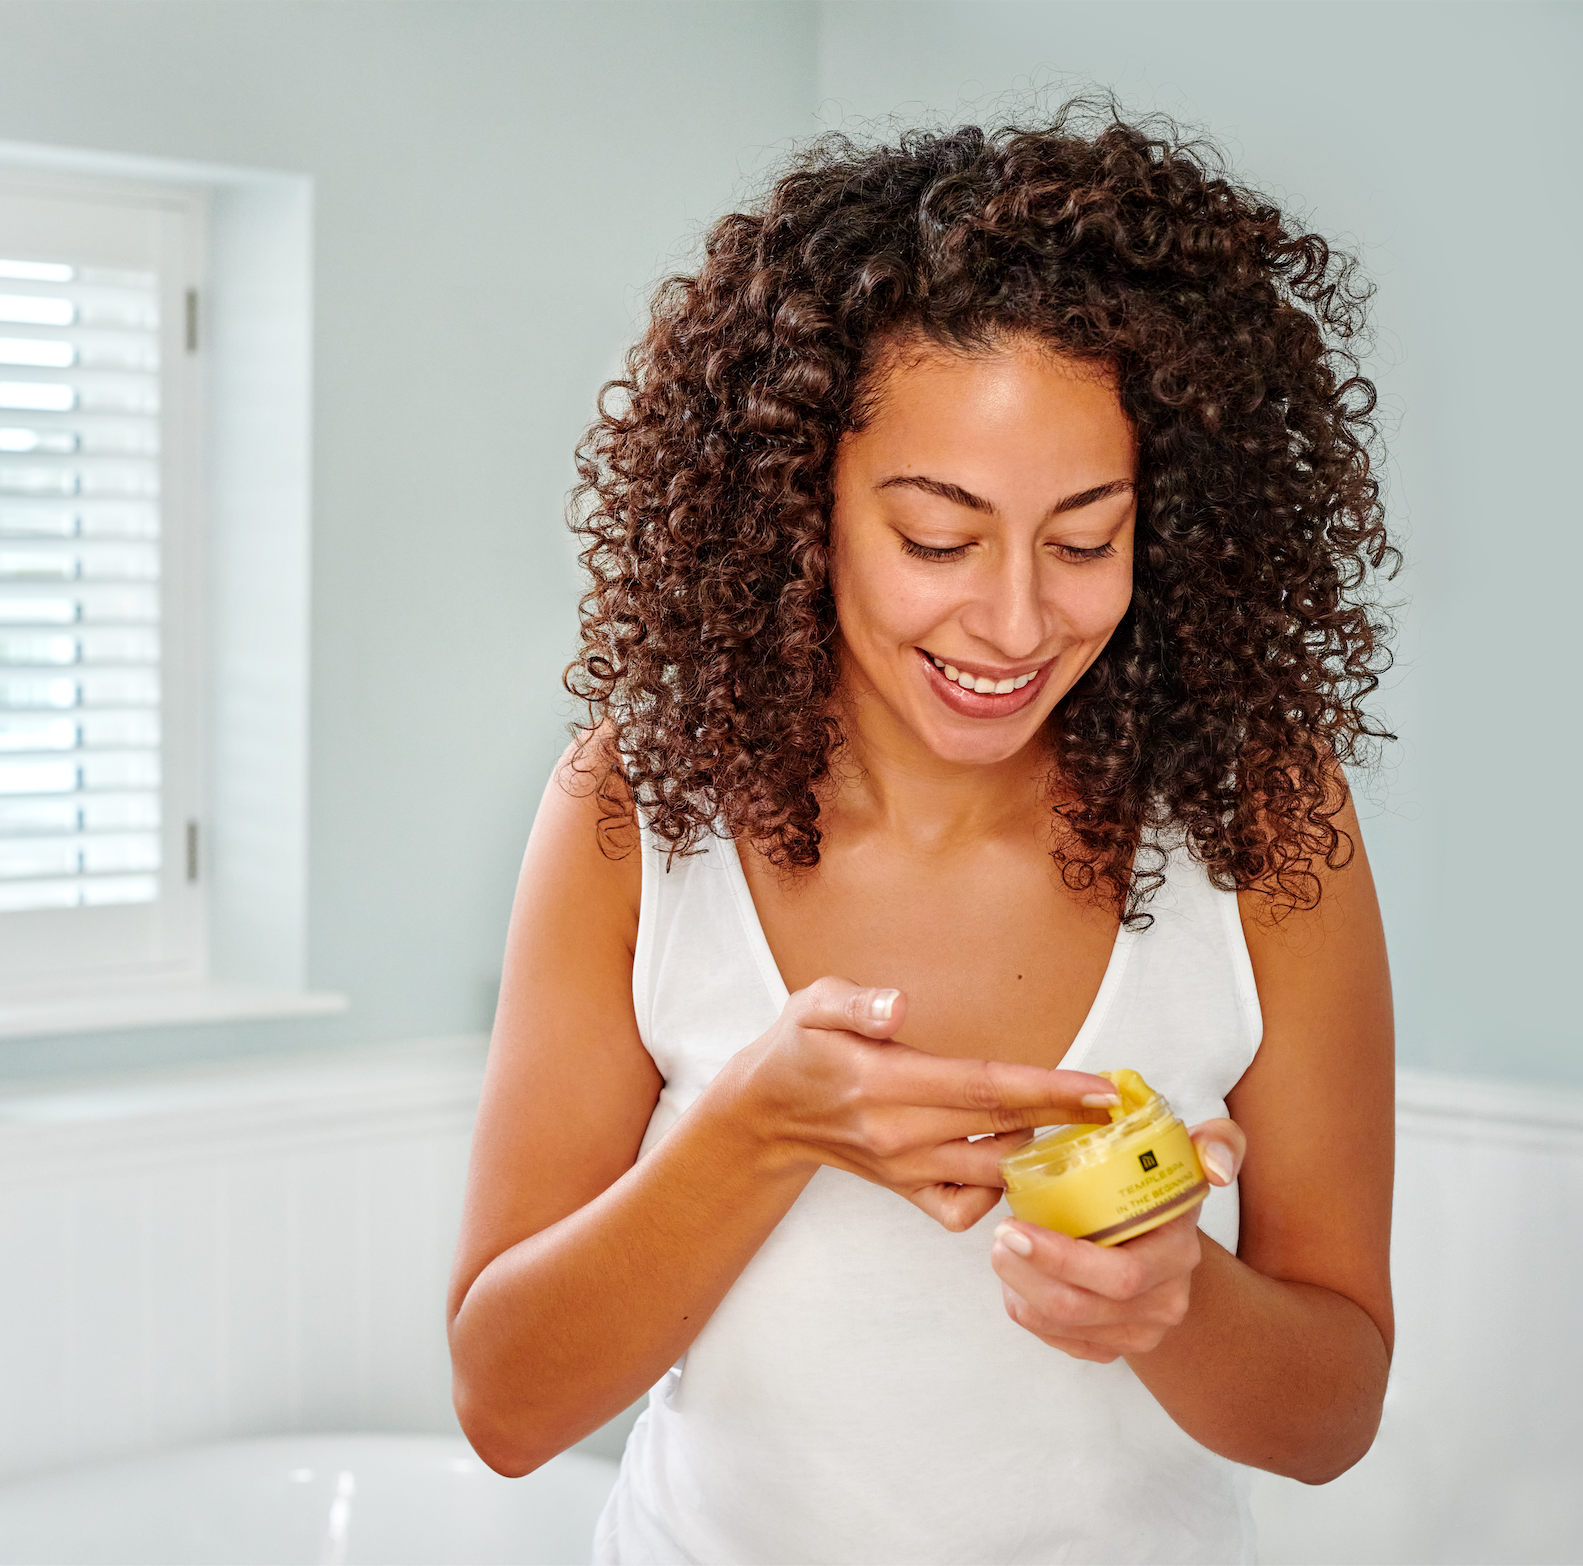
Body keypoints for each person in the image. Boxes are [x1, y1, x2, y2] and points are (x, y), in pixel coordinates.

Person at [446, 109, 1397, 1565]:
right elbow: (505, 1405)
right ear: (797, 502)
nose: (1015, 623)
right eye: (938, 539)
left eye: (1084, 540)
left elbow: (1331, 1415)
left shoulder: (1255, 815)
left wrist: (1176, 1302)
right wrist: (755, 1131)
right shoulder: (638, 807)